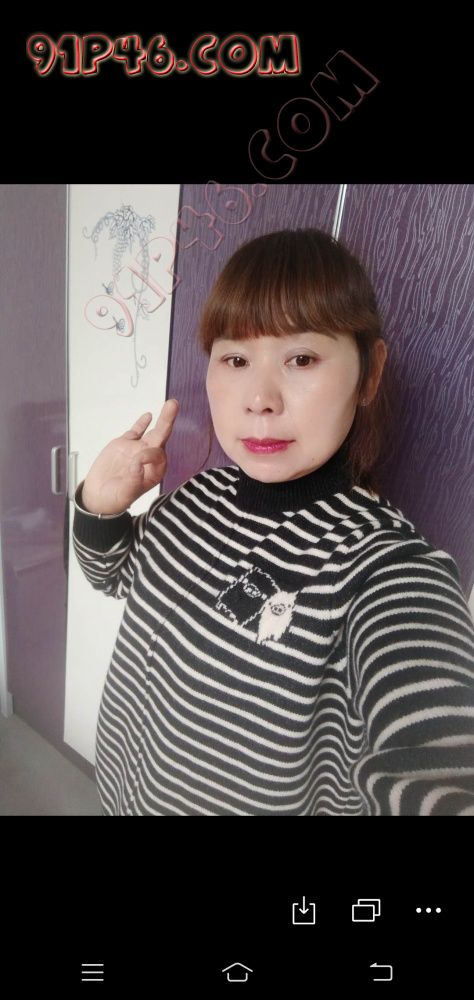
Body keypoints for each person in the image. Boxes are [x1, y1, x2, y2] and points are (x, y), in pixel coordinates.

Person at [73, 227, 474, 816]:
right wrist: (100, 505)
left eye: (301, 358)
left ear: (369, 374)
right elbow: (114, 577)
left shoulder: (382, 569)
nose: (259, 398)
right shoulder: (194, 497)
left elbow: (439, 764)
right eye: (235, 359)